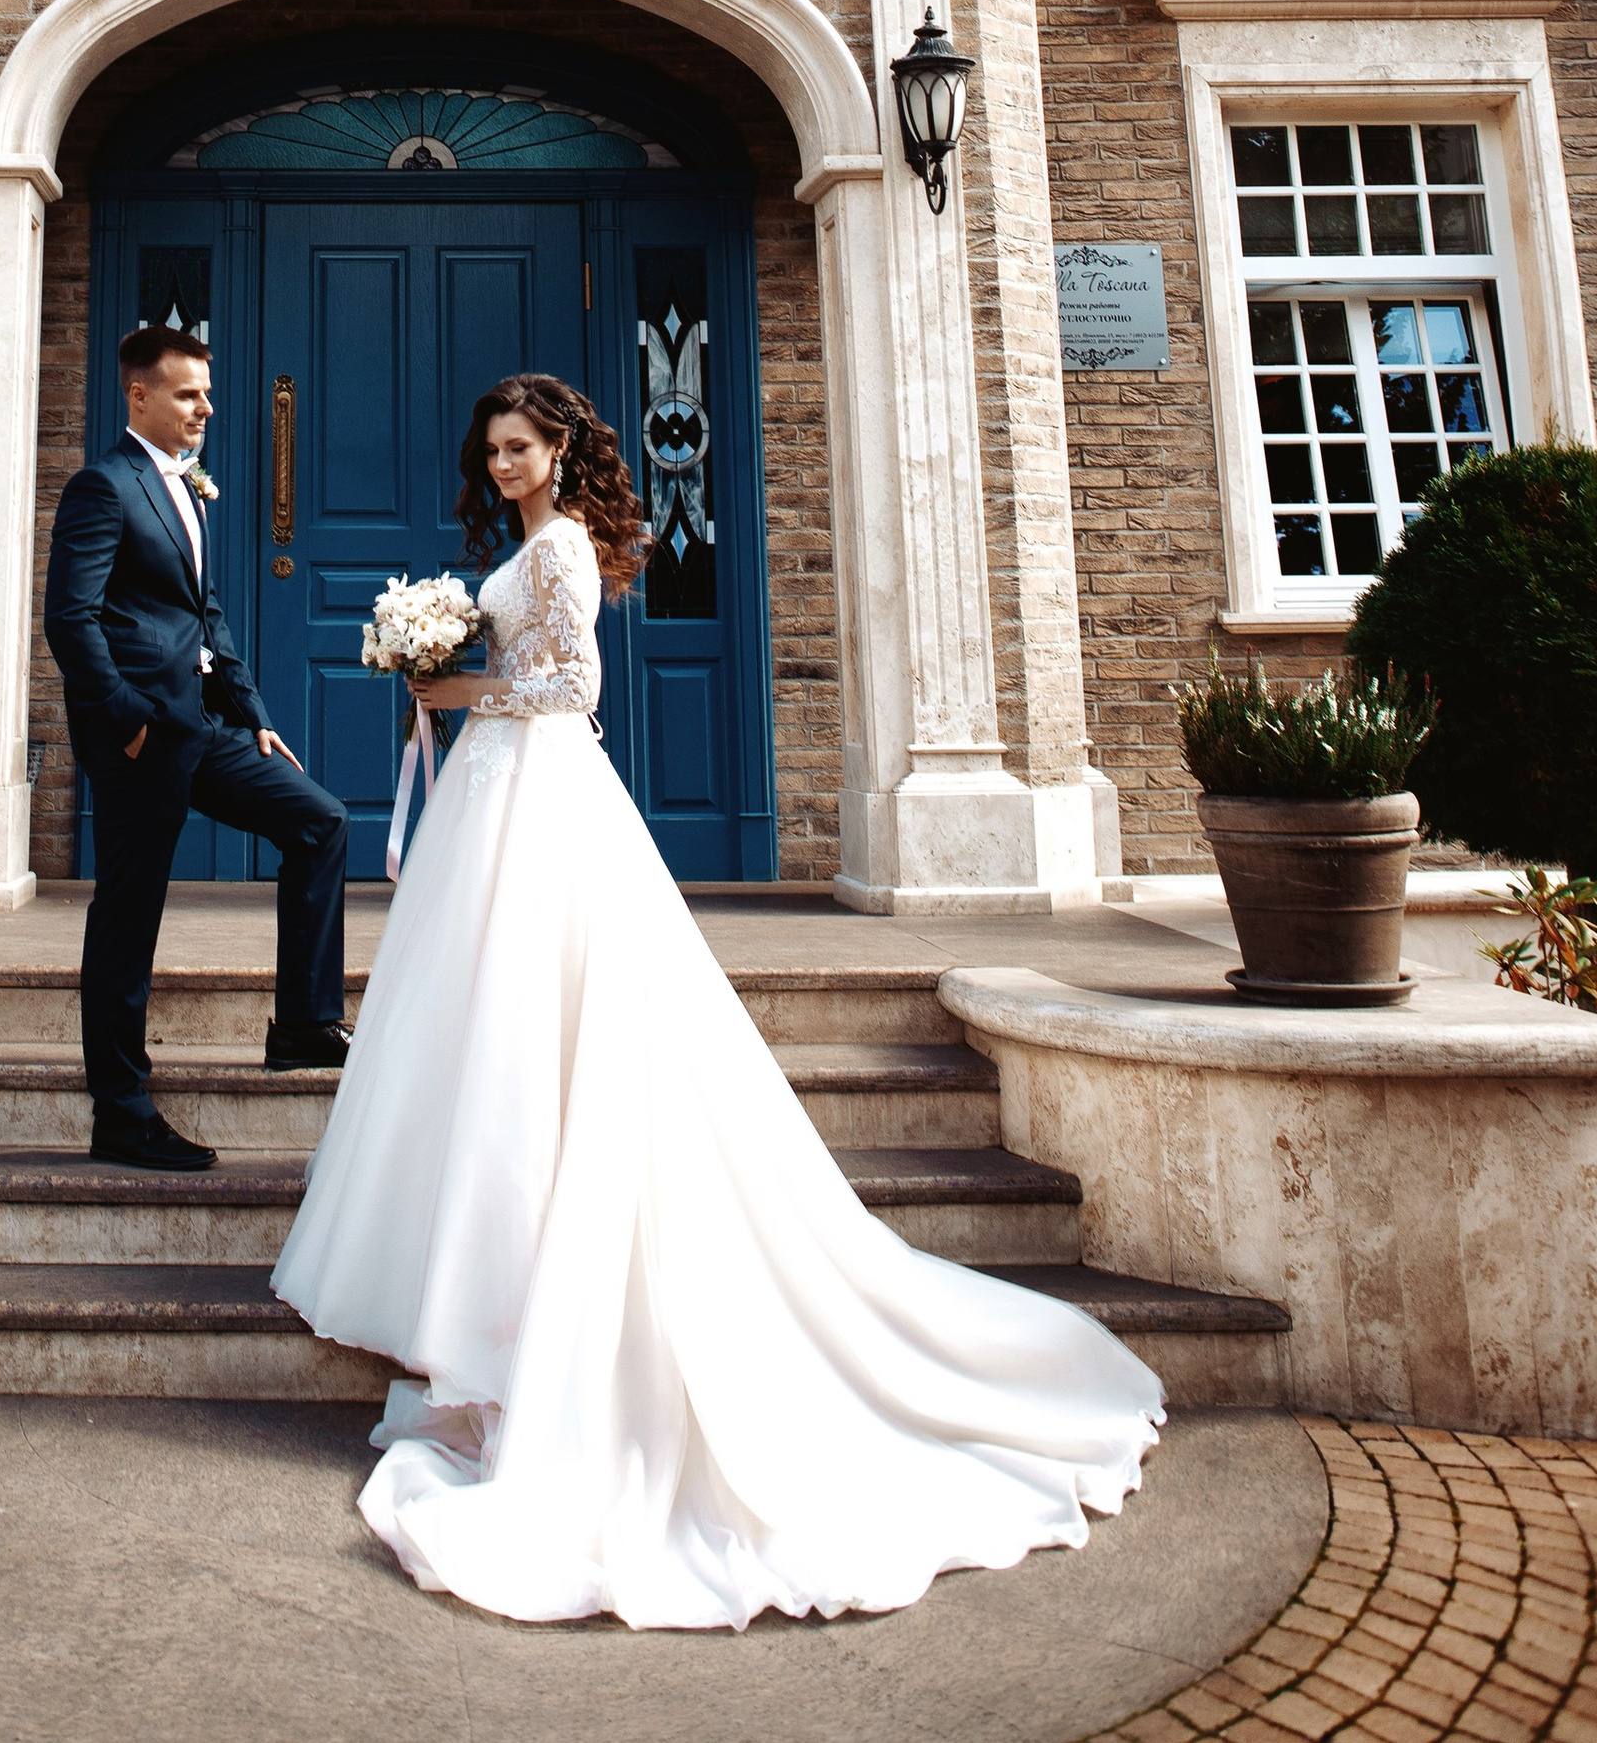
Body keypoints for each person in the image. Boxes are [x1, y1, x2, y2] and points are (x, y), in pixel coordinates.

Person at [272, 370, 1163, 1630]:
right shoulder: (521, 545)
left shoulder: (567, 549)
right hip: (491, 796)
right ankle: (477, 1298)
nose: (504, 465)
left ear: (563, 450)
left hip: (542, 796)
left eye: (521, 447)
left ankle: (540, 1318)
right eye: (492, 450)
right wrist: (442, 669)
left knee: (550, 1030)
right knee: (477, 1039)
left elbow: (574, 692)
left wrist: (455, 689)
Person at [44, 323, 351, 1170]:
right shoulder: (102, 486)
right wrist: (127, 716)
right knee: (128, 917)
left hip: (205, 725)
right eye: (188, 393)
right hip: (141, 735)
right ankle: (122, 1109)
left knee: (320, 823)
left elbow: (202, 614)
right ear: (138, 395)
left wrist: (251, 711)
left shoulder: (186, 485)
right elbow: (70, 618)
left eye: (207, 392)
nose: (206, 407)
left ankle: (301, 1024)